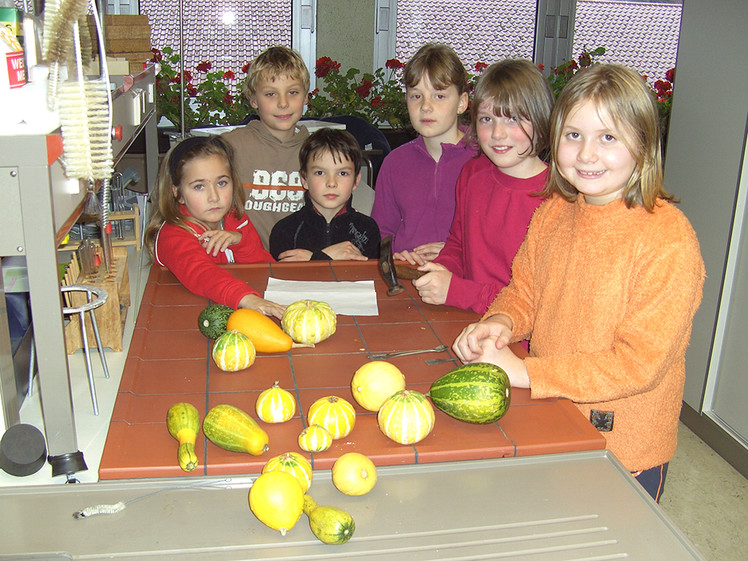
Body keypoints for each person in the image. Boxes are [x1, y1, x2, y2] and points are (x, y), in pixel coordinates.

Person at [453, 63, 705, 502]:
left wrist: (526, 372)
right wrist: (502, 321)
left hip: (624, 446)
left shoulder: (668, 239)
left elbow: (638, 365)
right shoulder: (554, 211)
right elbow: (526, 290)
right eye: (574, 135)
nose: (587, 154)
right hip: (552, 412)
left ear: (644, 143)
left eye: (608, 137)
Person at [412, 59, 553, 314]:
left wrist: (456, 290)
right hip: (465, 314)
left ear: (541, 119)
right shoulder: (473, 173)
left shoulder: (556, 199)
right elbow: (458, 244)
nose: (497, 133)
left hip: (515, 338)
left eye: (513, 119)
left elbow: (539, 305)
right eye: (486, 119)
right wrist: (441, 269)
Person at [144, 135, 285, 318]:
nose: (214, 197)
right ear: (177, 193)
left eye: (221, 183)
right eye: (199, 187)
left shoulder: (235, 218)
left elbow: (265, 267)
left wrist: (240, 242)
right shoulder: (173, 234)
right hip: (192, 317)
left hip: (236, 309)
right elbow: (203, 274)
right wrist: (248, 299)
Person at [371, 43, 475, 261]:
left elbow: (494, 237)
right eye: (416, 96)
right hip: (407, 275)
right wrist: (397, 256)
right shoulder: (394, 163)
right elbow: (382, 233)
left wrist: (455, 252)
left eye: (439, 96)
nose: (425, 106)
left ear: (462, 102)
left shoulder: (482, 159)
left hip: (461, 279)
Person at [222, 46, 311, 249]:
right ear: (253, 99)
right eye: (271, 94)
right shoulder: (231, 147)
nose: (283, 103)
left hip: (301, 263)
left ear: (306, 97)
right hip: (247, 261)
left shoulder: (318, 150)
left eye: (293, 92)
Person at [269, 128, 381, 260]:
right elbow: (281, 279)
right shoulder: (284, 231)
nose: (331, 183)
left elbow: (368, 278)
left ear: (356, 180)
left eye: (342, 173)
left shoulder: (368, 229)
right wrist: (325, 257)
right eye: (320, 173)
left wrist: (313, 258)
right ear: (304, 179)